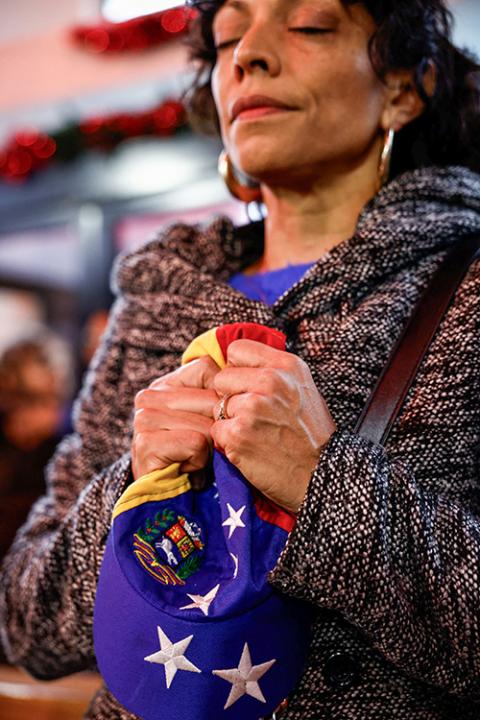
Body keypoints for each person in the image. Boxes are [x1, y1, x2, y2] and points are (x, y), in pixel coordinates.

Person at [1, 0, 480, 717]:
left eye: (311, 24)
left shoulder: (466, 292)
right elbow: (26, 622)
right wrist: (134, 484)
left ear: (404, 90)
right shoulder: (154, 301)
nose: (248, 54)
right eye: (228, 37)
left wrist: (325, 487)